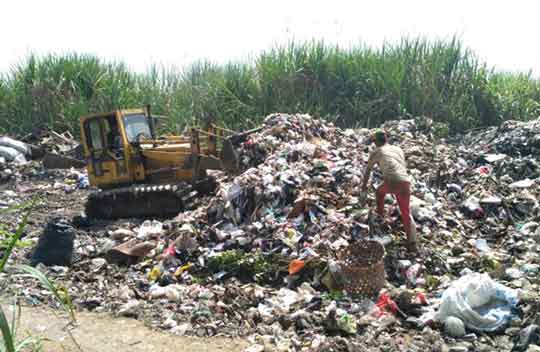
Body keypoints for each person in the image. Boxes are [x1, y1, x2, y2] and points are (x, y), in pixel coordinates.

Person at [361, 129, 418, 252]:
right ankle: (412, 243)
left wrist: (363, 189)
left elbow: (367, 172)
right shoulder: (398, 149)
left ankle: (380, 216)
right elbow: (399, 166)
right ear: (386, 139)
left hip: (392, 181)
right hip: (406, 182)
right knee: (406, 213)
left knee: (379, 193)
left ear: (375, 142)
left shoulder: (377, 151)